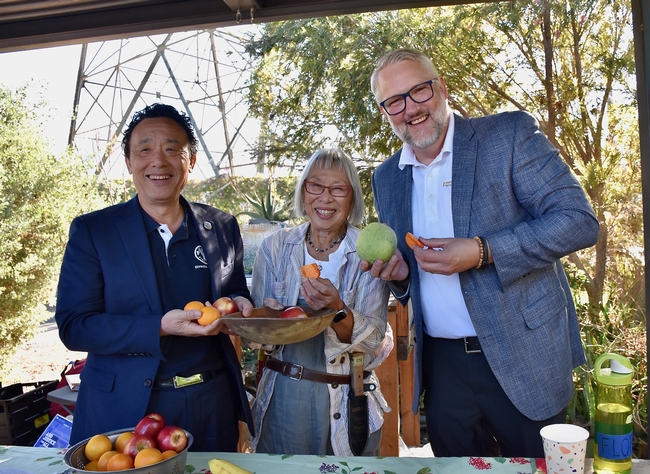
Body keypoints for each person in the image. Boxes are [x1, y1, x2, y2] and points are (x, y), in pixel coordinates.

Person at [364, 48, 600, 458]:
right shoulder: (387, 177)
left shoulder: (507, 136)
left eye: (419, 91)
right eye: (394, 101)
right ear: (386, 112)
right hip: (443, 368)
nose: (410, 109)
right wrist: (402, 277)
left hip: (522, 357)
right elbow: (412, 284)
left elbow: (579, 221)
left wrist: (482, 251)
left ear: (442, 88)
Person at [55, 103, 254, 451]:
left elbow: (234, 290)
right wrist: (159, 326)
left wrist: (239, 304)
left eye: (172, 149)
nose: (158, 161)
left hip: (210, 402)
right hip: (125, 409)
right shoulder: (95, 231)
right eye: (144, 149)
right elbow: (75, 325)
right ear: (130, 162)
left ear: (190, 161)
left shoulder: (220, 226)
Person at [250, 148, 393, 456]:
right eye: (316, 186)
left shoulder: (367, 251)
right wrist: (270, 316)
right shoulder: (276, 247)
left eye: (338, 189)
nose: (325, 198)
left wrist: (338, 309)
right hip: (285, 396)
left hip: (349, 393)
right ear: (304, 191)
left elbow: (374, 340)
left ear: (352, 198)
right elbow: (255, 332)